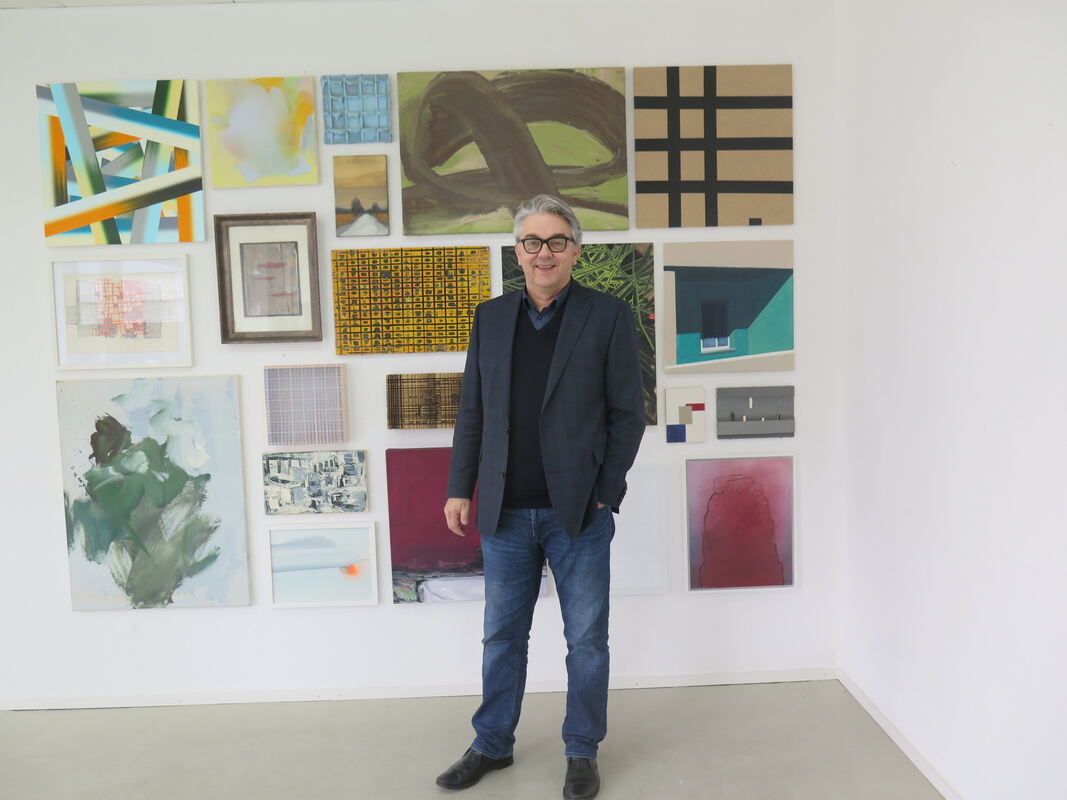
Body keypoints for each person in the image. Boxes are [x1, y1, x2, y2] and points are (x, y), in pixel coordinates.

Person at [437, 194, 645, 800]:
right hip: (504, 511)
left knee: (586, 641)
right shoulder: (490, 318)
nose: (544, 252)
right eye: (532, 241)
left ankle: (582, 749)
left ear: (575, 251)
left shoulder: (607, 316)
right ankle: (491, 743)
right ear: (518, 251)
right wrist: (459, 487)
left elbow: (628, 414)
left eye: (557, 241)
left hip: (578, 512)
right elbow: (472, 412)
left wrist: (606, 492)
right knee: (501, 637)